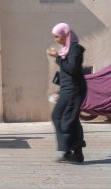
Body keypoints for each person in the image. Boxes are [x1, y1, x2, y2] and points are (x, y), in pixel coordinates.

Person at [46, 23, 87, 163]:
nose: (55, 39)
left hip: (75, 90)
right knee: (59, 116)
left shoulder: (75, 49)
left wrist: (57, 58)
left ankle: (75, 151)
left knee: (67, 121)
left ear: (64, 35)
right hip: (66, 90)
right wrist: (59, 91)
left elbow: (72, 69)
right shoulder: (66, 49)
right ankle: (71, 151)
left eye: (57, 36)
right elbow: (66, 74)